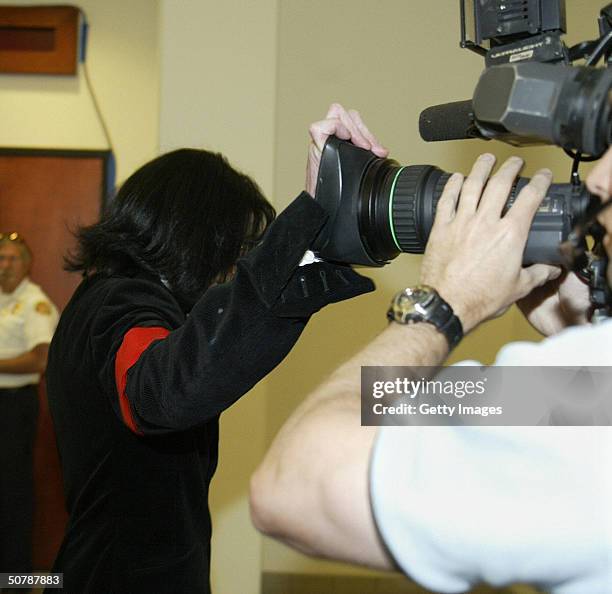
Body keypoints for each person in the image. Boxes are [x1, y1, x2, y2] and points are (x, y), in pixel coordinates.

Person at [44, 105, 387, 594]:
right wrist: (304, 218)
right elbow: (163, 393)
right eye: (233, 246)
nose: (232, 264)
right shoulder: (123, 303)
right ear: (195, 235)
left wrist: (309, 239)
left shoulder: (103, 298)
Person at [250, 137, 612, 592]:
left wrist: (444, 302)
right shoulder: (586, 393)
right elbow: (413, 407)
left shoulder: (589, 411)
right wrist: (579, 331)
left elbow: (292, 485)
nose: (598, 179)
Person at [0, 233, 59, 580]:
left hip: (13, 406)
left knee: (11, 488)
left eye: (11, 259)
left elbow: (41, 360)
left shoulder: (35, 303)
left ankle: (16, 577)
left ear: (26, 263)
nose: (4, 266)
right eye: (0, 259)